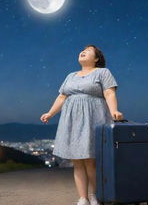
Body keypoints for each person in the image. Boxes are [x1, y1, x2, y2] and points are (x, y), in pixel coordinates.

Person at [40, 44, 124, 205]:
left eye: (88, 51)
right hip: (71, 120)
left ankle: (96, 196)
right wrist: (50, 113)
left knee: (91, 160)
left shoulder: (102, 72)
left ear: (96, 59)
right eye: (82, 50)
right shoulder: (70, 75)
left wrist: (115, 111)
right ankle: (82, 198)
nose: (83, 51)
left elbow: (109, 92)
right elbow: (62, 97)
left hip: (94, 117)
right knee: (77, 161)